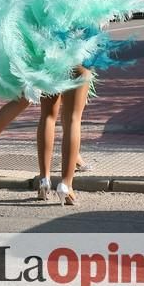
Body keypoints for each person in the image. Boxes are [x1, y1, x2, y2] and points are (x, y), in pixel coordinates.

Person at [36, 67, 92, 204]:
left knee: (47, 116)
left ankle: (44, 180)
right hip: (78, 62)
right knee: (73, 118)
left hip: (50, 59)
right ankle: (66, 185)